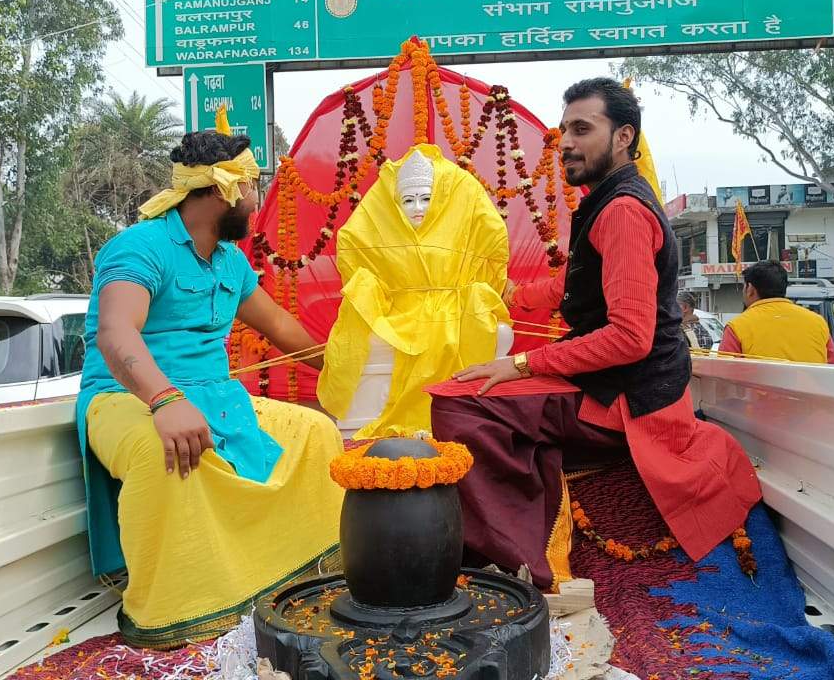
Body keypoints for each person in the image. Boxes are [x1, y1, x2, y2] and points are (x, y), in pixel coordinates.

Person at [427, 78, 761, 590]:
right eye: (564, 130)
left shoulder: (623, 210)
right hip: (614, 382)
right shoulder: (610, 202)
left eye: (582, 129)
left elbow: (630, 338)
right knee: (473, 390)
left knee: (460, 402)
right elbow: (574, 282)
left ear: (624, 136)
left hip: (626, 398)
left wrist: (519, 364)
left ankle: (529, 568)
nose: (566, 142)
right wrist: (510, 295)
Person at [76, 130, 345, 648]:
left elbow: (282, 327)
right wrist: (166, 400)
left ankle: (279, 578)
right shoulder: (140, 246)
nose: (257, 199)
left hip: (215, 395)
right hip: (125, 395)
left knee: (315, 433)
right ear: (223, 189)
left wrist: (352, 366)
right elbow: (115, 333)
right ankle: (181, 609)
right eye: (252, 186)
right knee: (167, 452)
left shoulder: (230, 261)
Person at [318, 145, 510, 439]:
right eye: (408, 200)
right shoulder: (381, 221)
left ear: (443, 199)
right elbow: (352, 245)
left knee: (481, 326)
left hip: (453, 308)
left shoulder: (464, 204)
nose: (418, 208)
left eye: (426, 199)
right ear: (395, 203)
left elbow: (493, 243)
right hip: (397, 311)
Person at [720, 260, 834, 363]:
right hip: (810, 389)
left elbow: (723, 378)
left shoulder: (737, 327)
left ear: (750, 289)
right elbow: (833, 370)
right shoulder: (818, 323)